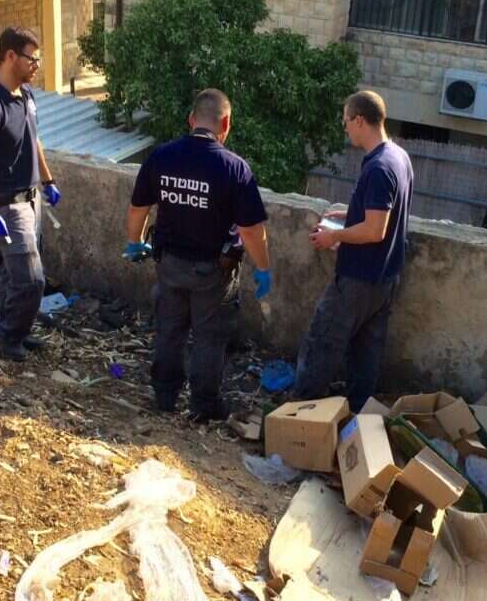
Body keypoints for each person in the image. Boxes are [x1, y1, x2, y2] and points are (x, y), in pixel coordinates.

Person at [123, 88, 271, 422]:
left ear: (192, 119)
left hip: (169, 264)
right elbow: (251, 230)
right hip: (213, 272)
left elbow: (137, 209)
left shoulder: (161, 156)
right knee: (209, 336)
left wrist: (134, 243)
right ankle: (204, 405)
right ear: (226, 123)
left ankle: (165, 396)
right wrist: (263, 268)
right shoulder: (234, 168)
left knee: (169, 330)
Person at [292, 90, 413, 412]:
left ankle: (298, 417)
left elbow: (375, 230)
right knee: (365, 355)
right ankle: (358, 418)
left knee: (322, 342)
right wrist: (349, 214)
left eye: (346, 121)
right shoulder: (398, 156)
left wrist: (334, 237)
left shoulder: (379, 168)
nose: (345, 128)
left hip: (359, 277)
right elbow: (383, 213)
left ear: (359, 120)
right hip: (385, 277)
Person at [0, 26, 62, 362]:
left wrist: (48, 180)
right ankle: (10, 337)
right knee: (31, 279)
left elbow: (33, 139)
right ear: (10, 56)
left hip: (32, 200)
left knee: (13, 273)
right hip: (9, 205)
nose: (37, 66)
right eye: (32, 59)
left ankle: (12, 329)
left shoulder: (27, 96)